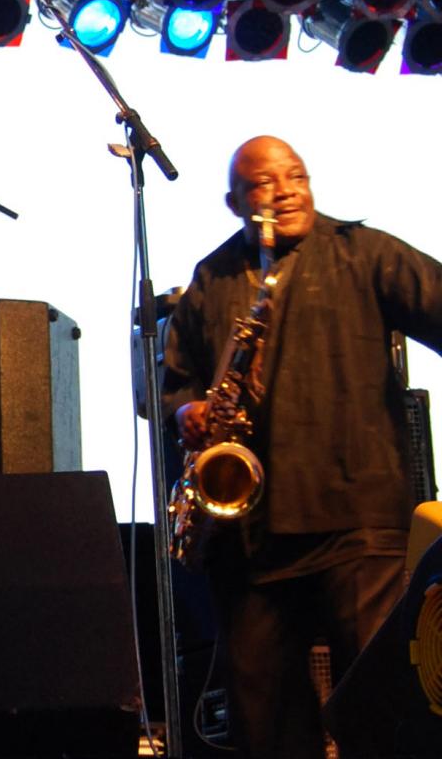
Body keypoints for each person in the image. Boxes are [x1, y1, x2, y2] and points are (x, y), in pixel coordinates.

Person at [163, 135, 442, 759]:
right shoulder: (211, 278)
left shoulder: (365, 253)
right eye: (264, 182)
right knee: (265, 724)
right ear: (233, 201)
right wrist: (188, 410)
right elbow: (171, 387)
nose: (285, 190)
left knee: (377, 710)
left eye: (296, 176)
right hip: (250, 538)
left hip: (355, 521)